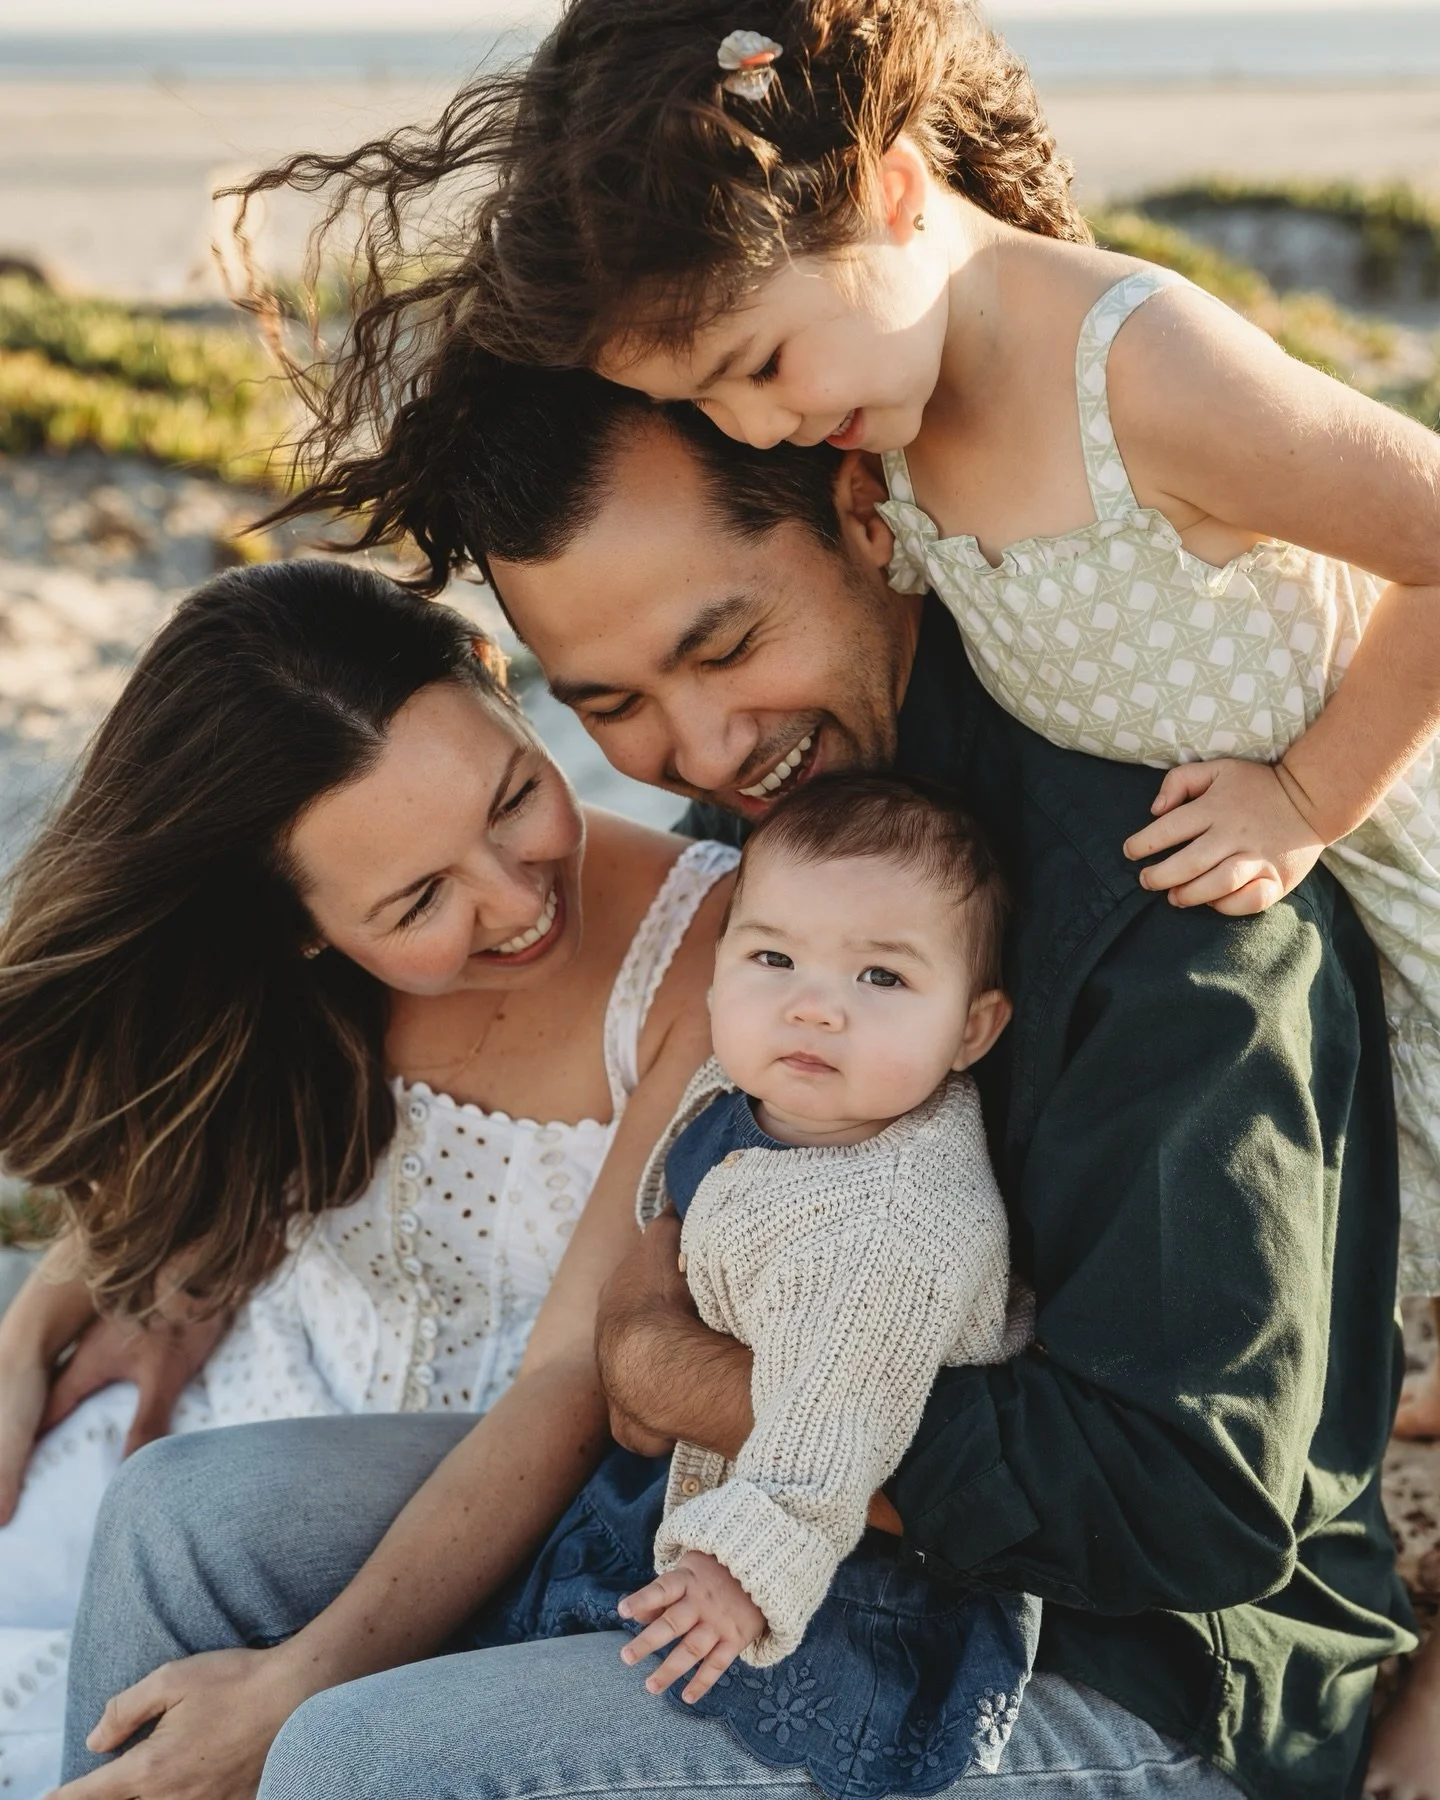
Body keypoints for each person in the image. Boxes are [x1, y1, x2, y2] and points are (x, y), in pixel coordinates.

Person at [54, 358, 1409, 1800]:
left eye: (723, 644)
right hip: (729, 1513)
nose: (700, 752)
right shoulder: (796, 799)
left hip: (1115, 1664)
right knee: (178, 1520)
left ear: (860, 511)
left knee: (357, 1755)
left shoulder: (1164, 897)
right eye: (613, 702)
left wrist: (690, 1378)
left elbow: (1191, 1506)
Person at [0, 557, 732, 1800]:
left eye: (512, 793)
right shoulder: (285, 966)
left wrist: (300, 1686)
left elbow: (571, 1376)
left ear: (501, 688)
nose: (515, 895)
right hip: (216, 1411)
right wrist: (42, 1326)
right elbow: (178, 1122)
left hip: (438, 1527)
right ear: (300, 925)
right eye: (419, 898)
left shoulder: (711, 951)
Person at [521, 773, 1037, 1800]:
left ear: (972, 1030)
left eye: (883, 979)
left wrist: (739, 1575)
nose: (814, 1005)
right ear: (718, 979)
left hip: (835, 1583)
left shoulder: (894, 1220)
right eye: (772, 958)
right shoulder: (771, 1092)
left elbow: (830, 1433)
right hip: (700, 1486)